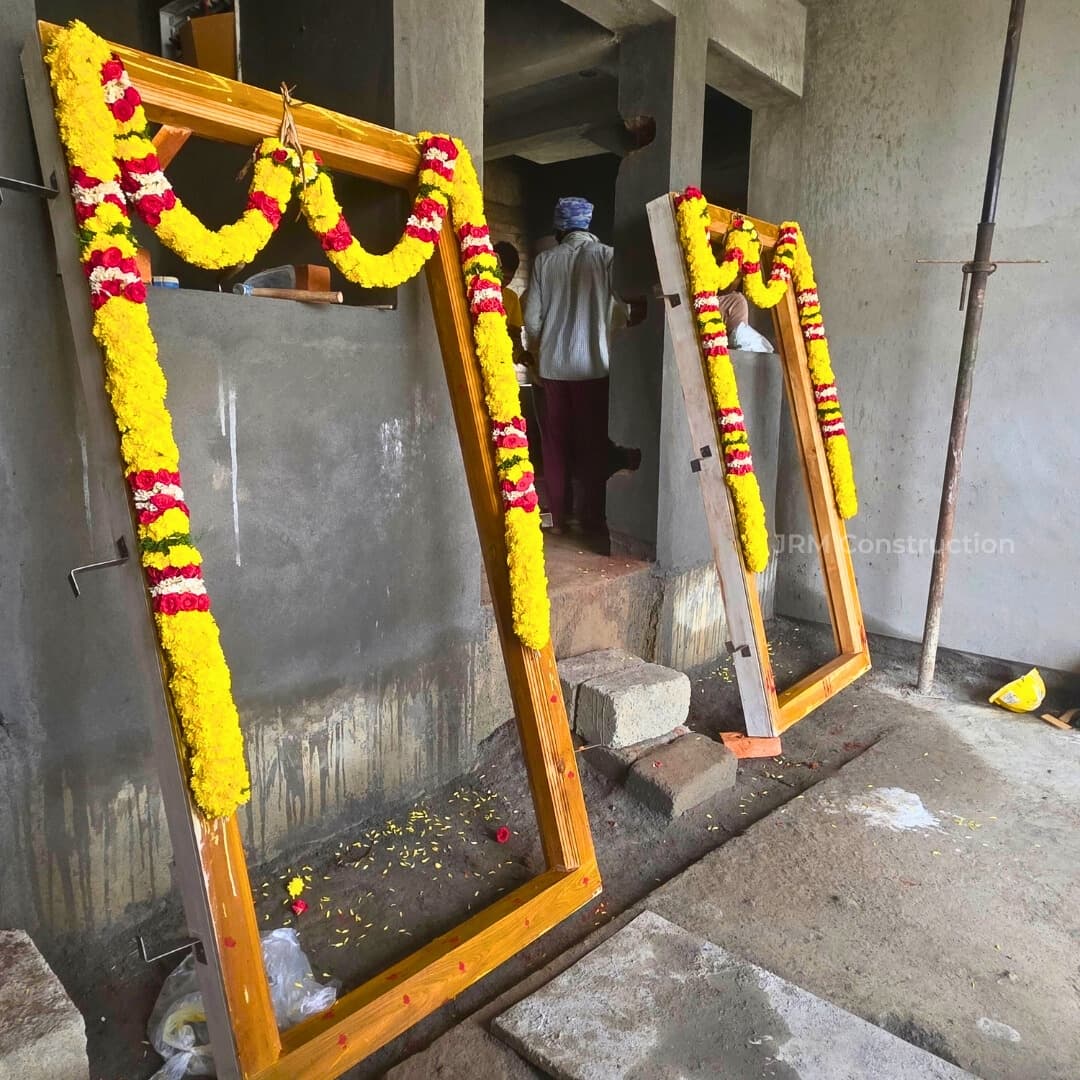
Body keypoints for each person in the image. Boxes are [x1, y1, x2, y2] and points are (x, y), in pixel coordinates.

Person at [524, 197, 616, 545]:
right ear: (587, 224)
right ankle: (592, 520)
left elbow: (532, 320)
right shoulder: (607, 257)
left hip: (553, 369)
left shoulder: (544, 261)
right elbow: (621, 309)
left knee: (555, 445)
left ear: (560, 228)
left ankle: (560, 520)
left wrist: (543, 348)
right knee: (593, 444)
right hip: (595, 367)